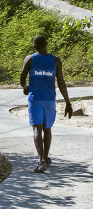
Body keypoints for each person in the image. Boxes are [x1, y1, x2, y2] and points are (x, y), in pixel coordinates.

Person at [20, 35, 73, 173]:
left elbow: (22, 78)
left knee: (37, 129)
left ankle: (41, 161)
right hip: (50, 100)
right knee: (47, 129)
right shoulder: (56, 61)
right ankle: (45, 157)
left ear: (34, 46)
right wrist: (68, 102)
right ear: (46, 44)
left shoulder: (30, 59)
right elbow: (61, 82)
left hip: (35, 99)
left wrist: (25, 88)